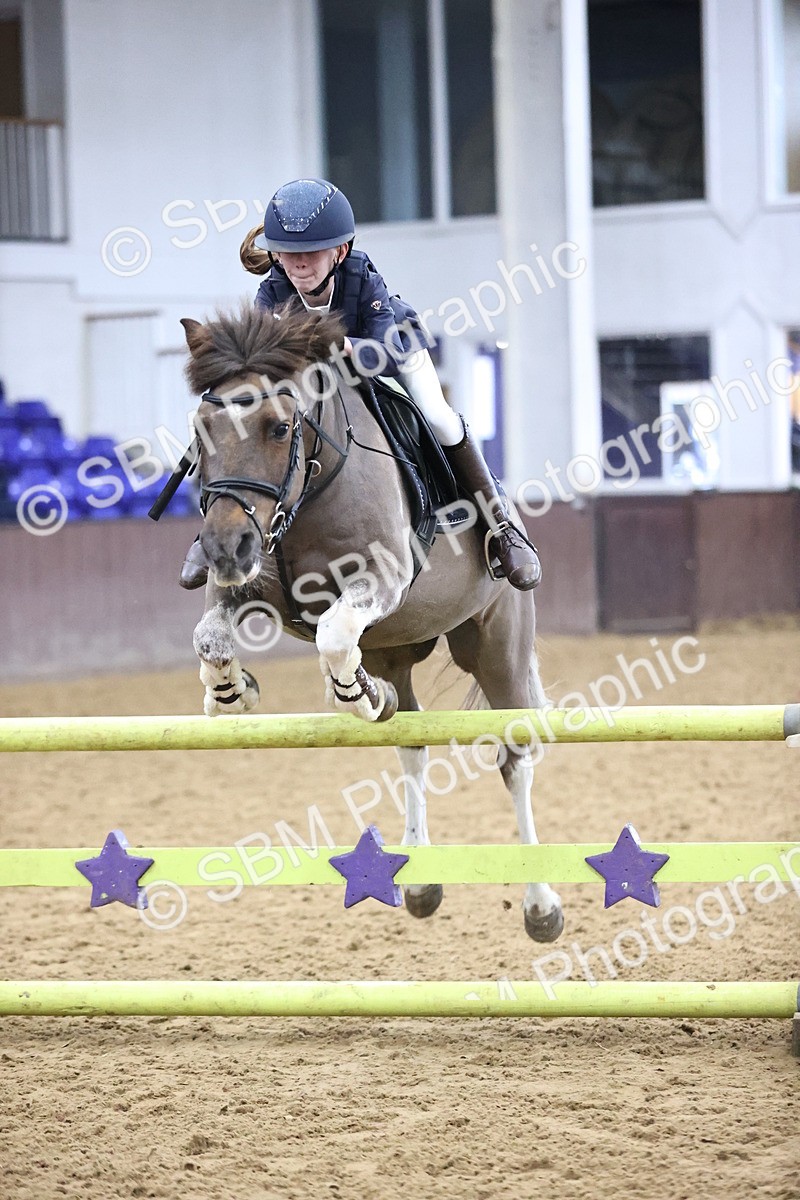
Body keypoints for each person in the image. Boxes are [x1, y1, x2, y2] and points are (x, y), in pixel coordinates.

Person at [180, 178, 541, 591]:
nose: (299, 264)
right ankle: (207, 535)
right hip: (320, 373)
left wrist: (346, 346)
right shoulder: (272, 291)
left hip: (392, 353)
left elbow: (386, 354)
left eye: (311, 252)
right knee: (239, 417)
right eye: (290, 253)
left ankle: (503, 528)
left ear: (340, 251)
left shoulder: (363, 280)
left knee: (438, 417)